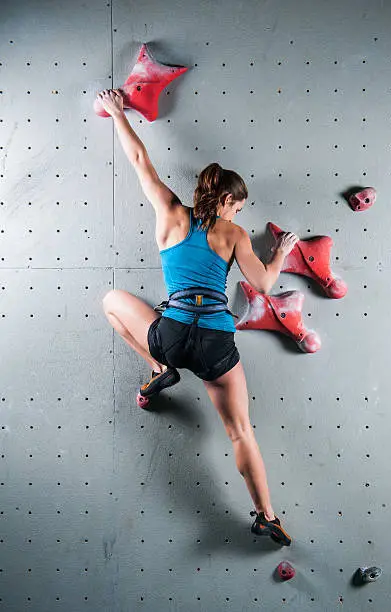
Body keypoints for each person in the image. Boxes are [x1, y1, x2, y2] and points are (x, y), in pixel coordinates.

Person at [100, 89, 299, 546]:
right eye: (239, 206)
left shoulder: (170, 213)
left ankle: (157, 368)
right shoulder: (233, 233)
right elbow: (266, 286)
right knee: (240, 432)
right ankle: (266, 516)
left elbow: (138, 158)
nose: (238, 214)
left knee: (111, 302)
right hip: (214, 342)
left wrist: (116, 112)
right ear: (228, 200)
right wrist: (281, 254)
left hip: (169, 335)